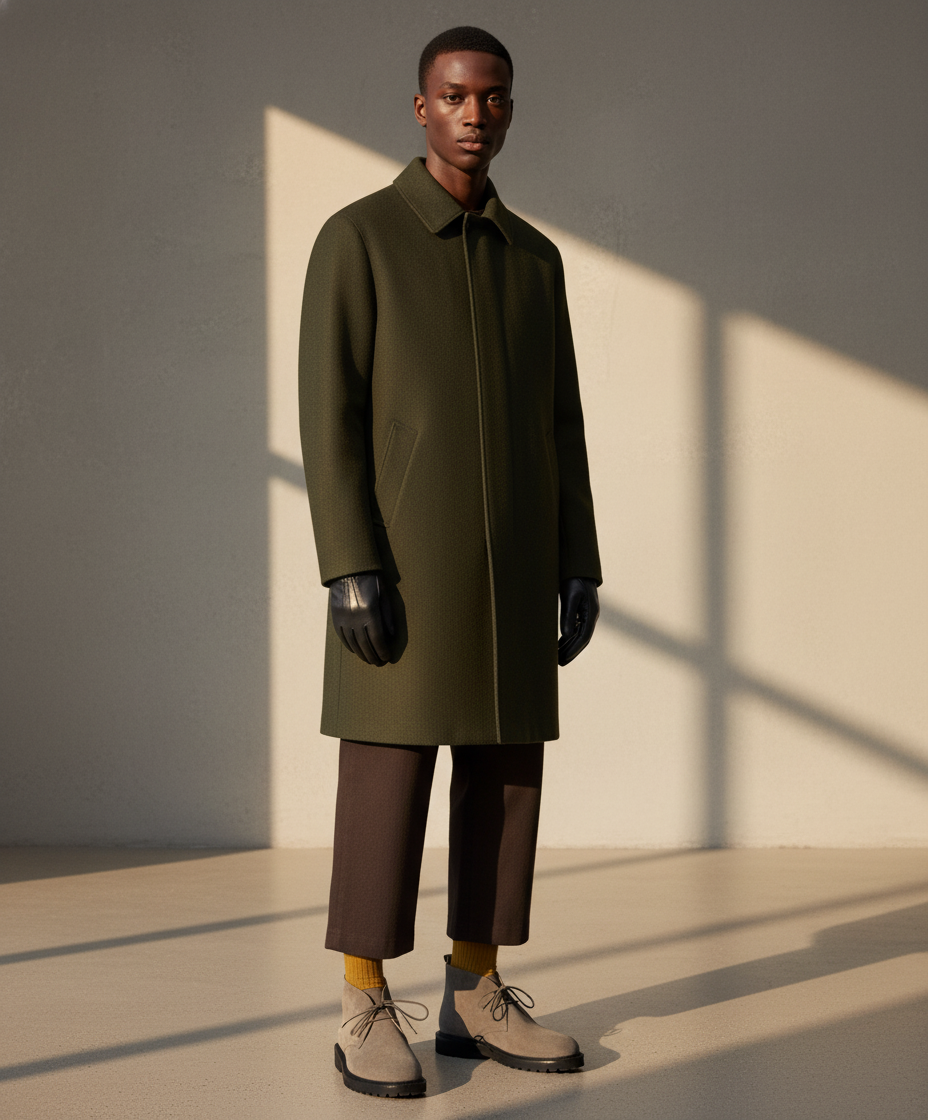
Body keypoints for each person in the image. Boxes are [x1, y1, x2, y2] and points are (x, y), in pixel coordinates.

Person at [299, 25, 602, 1099]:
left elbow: (561, 421)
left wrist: (579, 558)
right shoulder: (360, 239)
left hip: (516, 565)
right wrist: (348, 562)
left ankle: (477, 987)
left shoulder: (535, 260)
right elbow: (328, 413)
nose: (478, 114)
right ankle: (361, 997)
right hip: (400, 568)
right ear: (420, 107)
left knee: (507, 774)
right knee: (387, 772)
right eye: (457, 96)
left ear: (511, 110)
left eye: (496, 98)